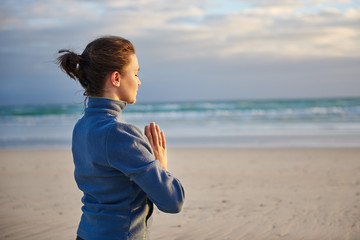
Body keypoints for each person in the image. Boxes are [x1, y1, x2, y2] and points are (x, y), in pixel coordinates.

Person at [57, 36, 185, 240]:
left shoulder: (81, 127)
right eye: (135, 73)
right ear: (116, 78)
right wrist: (161, 164)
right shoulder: (121, 134)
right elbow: (172, 201)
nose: (139, 81)